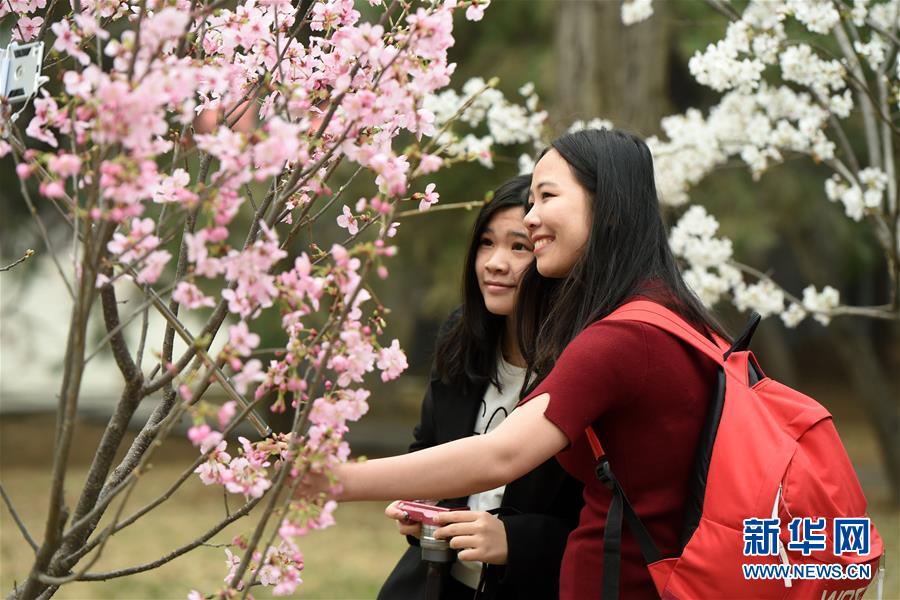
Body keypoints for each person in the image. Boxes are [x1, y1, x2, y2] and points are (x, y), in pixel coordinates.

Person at [314, 129, 729, 599]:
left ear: (609, 206)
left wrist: (329, 479)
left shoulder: (623, 336)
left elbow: (500, 455)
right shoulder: (666, 313)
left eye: (546, 197)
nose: (531, 219)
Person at [378, 175, 583, 600]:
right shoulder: (461, 338)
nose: (495, 262)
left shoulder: (582, 363)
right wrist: (419, 506)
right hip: (436, 583)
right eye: (487, 243)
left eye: (518, 247)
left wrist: (515, 541)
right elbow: (429, 450)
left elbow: (601, 519)